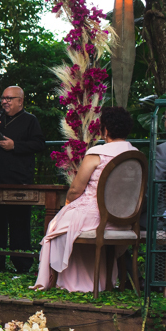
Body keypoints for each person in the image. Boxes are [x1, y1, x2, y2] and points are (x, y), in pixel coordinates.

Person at [33, 107, 138, 292]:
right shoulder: (136, 155)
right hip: (124, 220)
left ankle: (64, 280)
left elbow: (75, 189)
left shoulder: (98, 153)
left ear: (105, 130)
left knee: (55, 226)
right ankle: (101, 281)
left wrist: (68, 205)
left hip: (95, 215)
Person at [0, 85, 46, 273]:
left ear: (20, 101)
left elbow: (39, 144)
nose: (5, 101)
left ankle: (22, 264)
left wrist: (15, 146)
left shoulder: (30, 120)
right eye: (3, 98)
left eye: (9, 98)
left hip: (20, 179)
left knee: (20, 223)